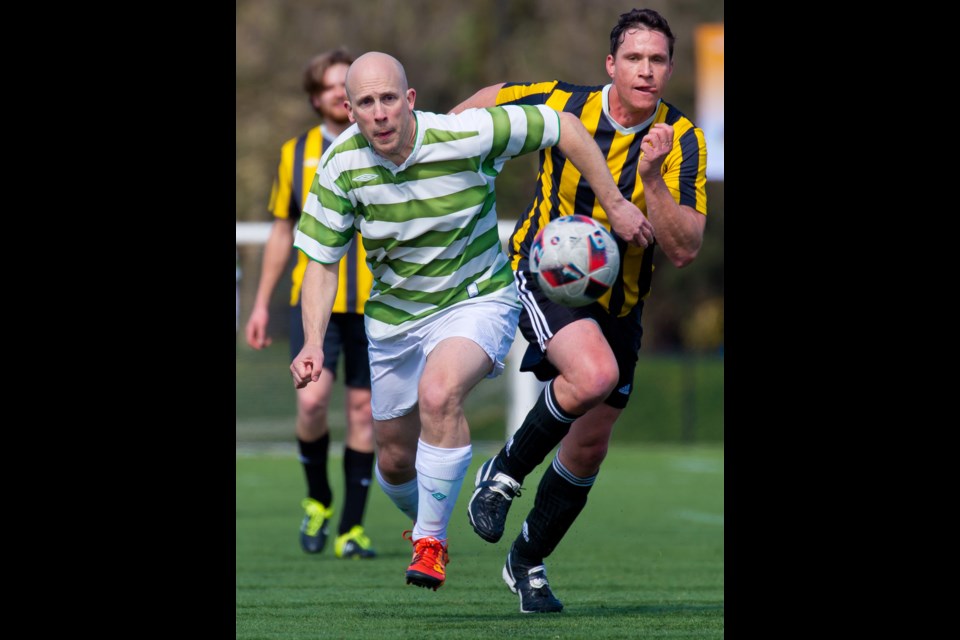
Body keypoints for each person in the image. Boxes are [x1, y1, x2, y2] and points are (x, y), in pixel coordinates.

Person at [290, 51, 653, 592]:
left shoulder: (466, 134)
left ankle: (432, 544)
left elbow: (565, 126)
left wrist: (615, 201)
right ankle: (425, 525)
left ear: (409, 100)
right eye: (366, 102)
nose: (380, 112)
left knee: (440, 393)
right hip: (393, 320)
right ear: (350, 110)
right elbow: (321, 262)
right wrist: (313, 341)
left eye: (390, 98)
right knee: (392, 459)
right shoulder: (340, 167)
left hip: (477, 298)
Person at [450, 7, 708, 613]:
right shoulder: (562, 102)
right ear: (610, 65)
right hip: (547, 278)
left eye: (658, 60)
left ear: (670, 68)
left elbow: (683, 247)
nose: (646, 71)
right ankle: (504, 474)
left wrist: (652, 179)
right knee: (592, 376)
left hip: (623, 304)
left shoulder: (683, 140)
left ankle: (528, 561)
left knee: (589, 447)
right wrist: (445, 148)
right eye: (635, 59)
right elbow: (491, 98)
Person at [244, 48, 378, 560]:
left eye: (348, 85)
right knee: (312, 402)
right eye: (330, 87)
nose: (340, 95)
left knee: (364, 414)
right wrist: (260, 305)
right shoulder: (293, 152)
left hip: (374, 305)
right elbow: (282, 231)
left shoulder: (383, 145)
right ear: (315, 97)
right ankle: (318, 498)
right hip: (313, 305)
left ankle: (350, 529)